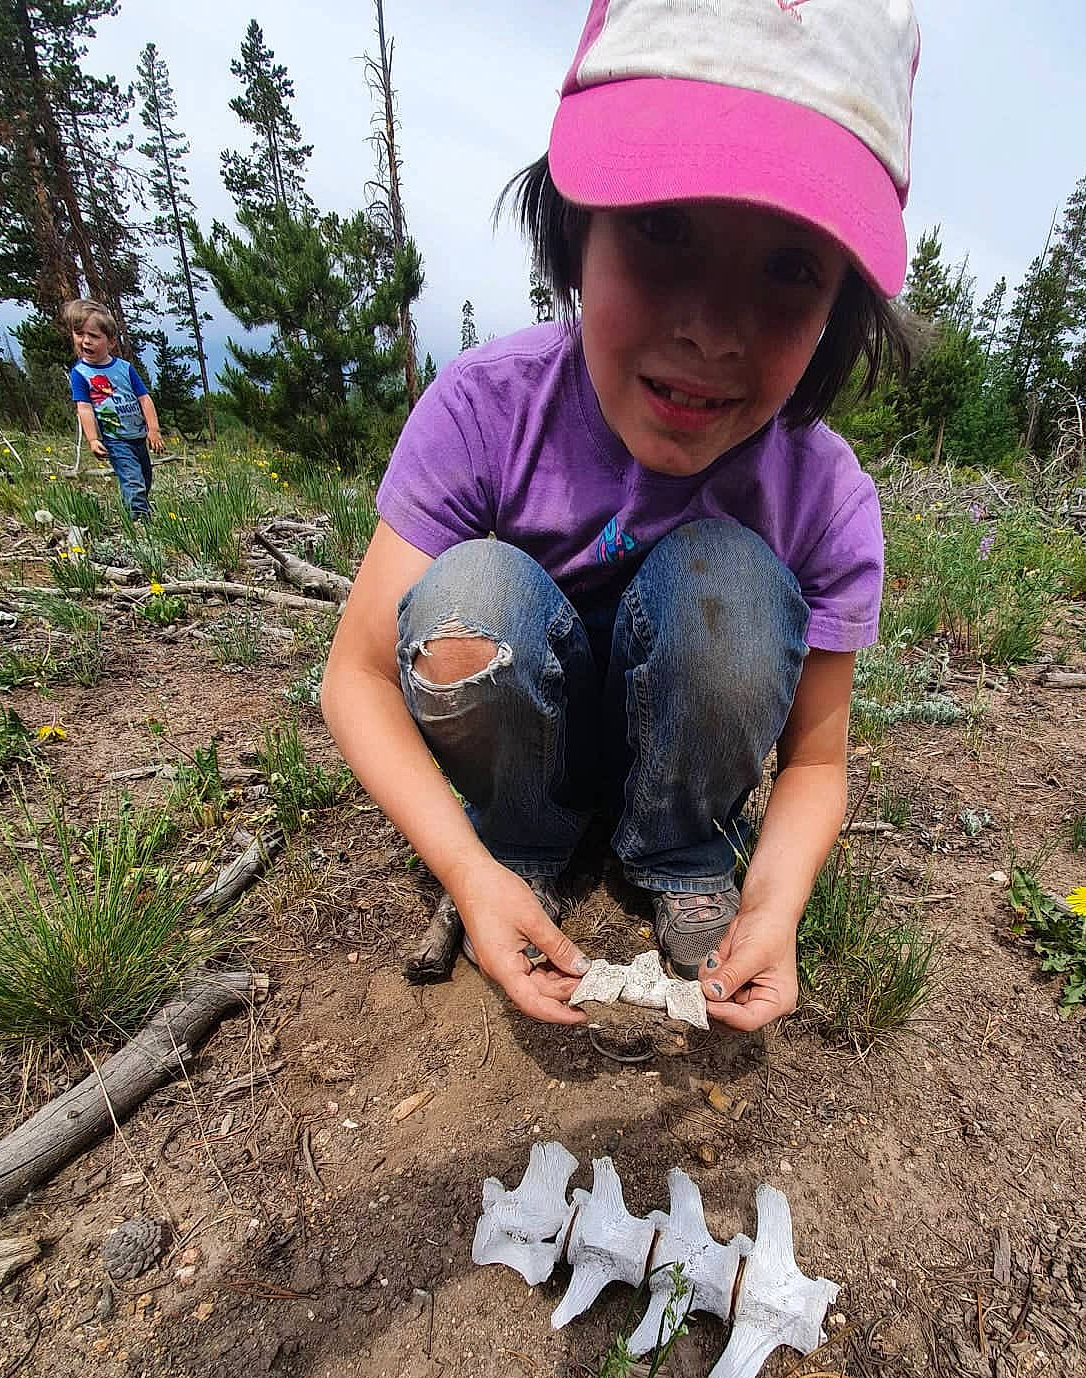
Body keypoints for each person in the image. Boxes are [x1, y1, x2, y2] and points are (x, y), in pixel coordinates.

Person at [322, 0, 918, 1033]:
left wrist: (777, 901)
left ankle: (683, 854)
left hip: (686, 754)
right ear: (573, 228)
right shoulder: (484, 407)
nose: (712, 329)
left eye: (789, 267)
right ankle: (523, 843)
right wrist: (464, 870)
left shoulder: (824, 494)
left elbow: (817, 761)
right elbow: (357, 677)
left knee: (729, 583)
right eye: (662, 228)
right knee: (470, 594)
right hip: (526, 737)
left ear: (841, 309)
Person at [63, 299, 164, 520]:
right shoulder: (80, 374)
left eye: (94, 336)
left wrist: (153, 429)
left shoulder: (124, 368)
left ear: (110, 342)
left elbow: (144, 398)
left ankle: (136, 510)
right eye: (79, 334)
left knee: (145, 478)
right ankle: (139, 524)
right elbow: (84, 408)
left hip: (138, 435)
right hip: (116, 439)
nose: (86, 341)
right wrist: (92, 439)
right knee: (132, 480)